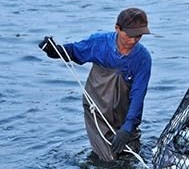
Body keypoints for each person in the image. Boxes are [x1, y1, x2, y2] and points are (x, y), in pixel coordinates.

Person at [38, 8, 152, 161]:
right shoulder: (99, 42)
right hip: (96, 109)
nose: (133, 41)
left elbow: (138, 96)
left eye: (138, 36)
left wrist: (127, 128)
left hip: (123, 111)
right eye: (129, 35)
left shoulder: (143, 58)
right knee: (107, 159)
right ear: (117, 29)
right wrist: (53, 50)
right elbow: (73, 51)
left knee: (129, 155)